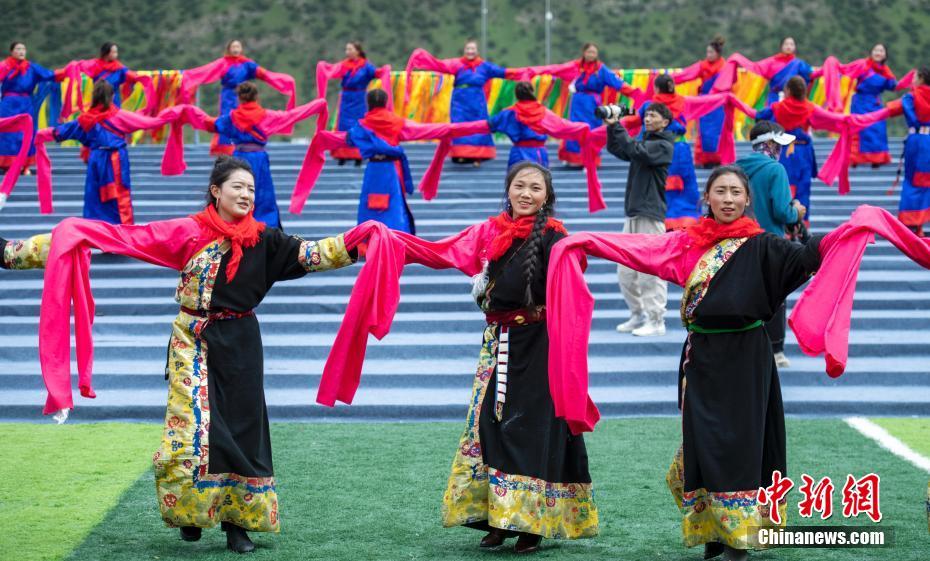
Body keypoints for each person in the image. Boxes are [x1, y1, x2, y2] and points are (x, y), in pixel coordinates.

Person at [0, 156, 357, 553]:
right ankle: (190, 512)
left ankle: (237, 525)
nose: (246, 194)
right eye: (237, 187)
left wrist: (366, 241)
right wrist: (12, 252)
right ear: (216, 191)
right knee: (190, 430)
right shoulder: (188, 231)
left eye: (251, 189)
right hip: (193, 340)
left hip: (241, 344)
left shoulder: (265, 240)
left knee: (243, 431)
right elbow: (119, 236)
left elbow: (314, 253)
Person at [546, 166, 825, 561]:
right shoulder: (688, 244)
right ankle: (713, 530)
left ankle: (739, 535)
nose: (728, 199)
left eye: (735, 192)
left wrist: (846, 234)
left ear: (747, 199)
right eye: (720, 191)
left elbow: (808, 257)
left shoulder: (765, 246)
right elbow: (637, 248)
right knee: (704, 442)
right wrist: (586, 241)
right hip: (701, 360)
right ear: (706, 198)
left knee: (741, 444)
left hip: (747, 361)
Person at [35, 81, 180, 224]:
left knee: (94, 197)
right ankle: (120, 229)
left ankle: (95, 229)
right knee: (118, 198)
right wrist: (173, 114)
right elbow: (149, 122)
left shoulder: (85, 119)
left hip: (96, 161)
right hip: (115, 161)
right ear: (111, 96)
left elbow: (61, 131)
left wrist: (40, 135)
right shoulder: (119, 116)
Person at [200, 81, 325, 228]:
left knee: (238, 192)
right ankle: (265, 228)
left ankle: (236, 225)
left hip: (239, 159)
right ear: (256, 97)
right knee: (263, 196)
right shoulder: (267, 116)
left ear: (239, 98)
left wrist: (189, 113)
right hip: (259, 159)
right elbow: (292, 115)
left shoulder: (231, 118)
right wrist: (318, 104)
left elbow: (212, 124)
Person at [736, 120, 806, 368]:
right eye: (778, 144)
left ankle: (744, 347)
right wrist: (797, 212)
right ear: (769, 144)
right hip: (771, 243)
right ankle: (776, 350)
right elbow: (782, 211)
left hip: (739, 241)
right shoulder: (775, 170)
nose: (781, 149)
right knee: (774, 296)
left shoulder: (736, 168)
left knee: (746, 293)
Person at [605, 101, 675, 336]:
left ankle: (656, 320)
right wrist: (611, 126)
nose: (647, 118)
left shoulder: (664, 145)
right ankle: (638, 314)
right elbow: (619, 149)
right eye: (646, 115)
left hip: (650, 214)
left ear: (665, 122)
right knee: (625, 271)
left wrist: (618, 125)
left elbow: (635, 150)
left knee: (650, 270)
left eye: (652, 115)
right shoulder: (644, 143)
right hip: (634, 213)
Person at [405, 40, 518, 165]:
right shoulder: (457, 64)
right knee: (459, 126)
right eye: (468, 49)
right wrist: (422, 58)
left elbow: (503, 72)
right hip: (460, 102)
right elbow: (439, 65)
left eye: (472, 49)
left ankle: (478, 156)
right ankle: (460, 154)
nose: (470, 51)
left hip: (477, 102)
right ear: (464, 51)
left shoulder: (485, 67)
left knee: (479, 126)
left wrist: (525, 72)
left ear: (477, 51)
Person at [178, 40, 298, 156]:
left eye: (238, 46)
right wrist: (186, 75)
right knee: (227, 120)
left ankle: (245, 145)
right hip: (228, 97)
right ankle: (226, 149)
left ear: (241, 49)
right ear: (229, 49)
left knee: (246, 119)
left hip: (243, 95)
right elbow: (205, 71)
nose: (236, 49)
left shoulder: (247, 64)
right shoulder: (223, 63)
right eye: (233, 47)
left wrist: (283, 80)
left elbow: (264, 74)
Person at [639, 74, 701, 229]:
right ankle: (687, 222)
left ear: (656, 88)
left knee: (660, 185)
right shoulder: (684, 101)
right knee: (686, 186)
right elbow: (707, 101)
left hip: (658, 149)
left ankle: (663, 222)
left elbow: (632, 120)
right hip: (681, 150)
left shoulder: (649, 106)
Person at [755, 76, 818, 224]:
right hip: (804, 153)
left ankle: (783, 222)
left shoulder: (778, 107)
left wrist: (732, 100)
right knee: (803, 189)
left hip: (784, 152)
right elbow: (833, 120)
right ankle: (800, 225)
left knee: (782, 187)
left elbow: (757, 115)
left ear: (788, 91)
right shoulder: (810, 108)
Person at [316, 41, 391, 166]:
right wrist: (323, 66)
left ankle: (358, 156)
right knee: (343, 126)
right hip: (346, 99)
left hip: (359, 99)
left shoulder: (366, 66)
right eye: (347, 49)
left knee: (359, 126)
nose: (347, 52)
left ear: (358, 51)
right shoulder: (344, 65)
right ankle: (342, 155)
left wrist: (385, 70)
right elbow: (331, 70)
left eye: (350, 49)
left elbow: (377, 73)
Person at [488, 81, 592, 169]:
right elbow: (564, 126)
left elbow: (487, 125)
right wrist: (585, 127)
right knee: (538, 184)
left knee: (517, 183)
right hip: (538, 154)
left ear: (516, 95)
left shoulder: (509, 113)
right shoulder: (543, 112)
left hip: (518, 154)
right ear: (532, 92)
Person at [0, 42, 57, 173]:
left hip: (25, 104)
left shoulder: (32, 68)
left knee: (26, 134)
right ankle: (6, 164)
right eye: (18, 49)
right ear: (12, 52)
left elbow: (49, 75)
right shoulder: (4, 66)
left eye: (23, 49)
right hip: (8, 104)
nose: (21, 51)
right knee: (7, 134)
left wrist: (70, 71)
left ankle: (23, 164)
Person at [57, 42, 156, 117]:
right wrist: (65, 71)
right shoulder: (94, 64)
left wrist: (145, 77)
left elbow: (133, 76)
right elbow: (78, 66)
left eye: (116, 52)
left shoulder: (119, 68)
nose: (116, 54)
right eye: (114, 52)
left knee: (114, 123)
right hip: (98, 100)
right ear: (106, 53)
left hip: (113, 101)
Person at [671, 36, 727, 167]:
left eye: (711, 52)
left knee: (718, 132)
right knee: (704, 132)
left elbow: (732, 83)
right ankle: (704, 159)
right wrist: (667, 79)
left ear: (718, 53)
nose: (708, 55)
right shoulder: (702, 66)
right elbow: (685, 75)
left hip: (719, 104)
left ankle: (718, 159)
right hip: (705, 104)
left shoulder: (725, 67)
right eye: (707, 52)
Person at [850, 44, 898, 167]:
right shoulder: (863, 65)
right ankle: (854, 158)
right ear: (871, 53)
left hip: (875, 103)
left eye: (881, 51)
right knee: (859, 130)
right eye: (876, 50)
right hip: (860, 102)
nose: (878, 53)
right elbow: (849, 74)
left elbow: (892, 86)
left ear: (885, 55)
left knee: (877, 129)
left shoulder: (885, 71)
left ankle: (877, 159)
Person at [897, 67, 930, 235]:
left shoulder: (910, 97)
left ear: (921, 78)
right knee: (925, 182)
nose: (912, 80)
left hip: (916, 142)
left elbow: (913, 119)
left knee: (912, 181)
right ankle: (919, 223)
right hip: (928, 140)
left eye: (915, 77)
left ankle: (911, 223)